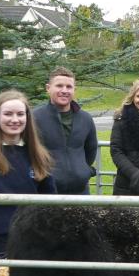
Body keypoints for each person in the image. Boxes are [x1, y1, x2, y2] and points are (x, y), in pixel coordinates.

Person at [0, 90, 56, 260]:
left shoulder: (39, 156)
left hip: (35, 242)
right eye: (8, 114)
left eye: (20, 114)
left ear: (27, 118)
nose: (15, 120)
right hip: (0, 246)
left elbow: (50, 205)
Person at [33, 66, 98, 195]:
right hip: (46, 192)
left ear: (74, 90)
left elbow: (91, 150)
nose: (64, 90)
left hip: (80, 193)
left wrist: (83, 170)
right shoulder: (35, 118)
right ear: (48, 88)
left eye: (69, 87)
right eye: (59, 86)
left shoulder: (85, 119)